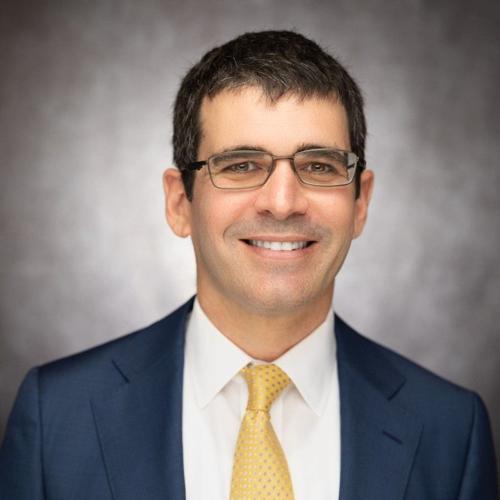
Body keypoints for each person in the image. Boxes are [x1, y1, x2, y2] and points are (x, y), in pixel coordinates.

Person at [0, 30, 497, 500]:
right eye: (241, 165)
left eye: (319, 166)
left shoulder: (451, 430)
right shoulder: (57, 415)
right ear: (180, 202)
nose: (282, 203)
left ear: (360, 203)